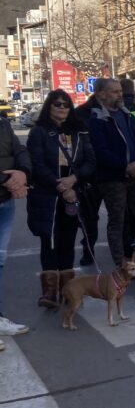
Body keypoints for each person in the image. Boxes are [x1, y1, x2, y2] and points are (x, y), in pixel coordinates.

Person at [27, 90, 96, 309]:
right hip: (47, 195)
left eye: (66, 104)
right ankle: (49, 292)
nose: (62, 107)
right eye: (57, 104)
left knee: (67, 239)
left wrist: (73, 180)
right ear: (49, 106)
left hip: (74, 191)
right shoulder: (39, 132)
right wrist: (60, 185)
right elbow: (36, 164)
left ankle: (68, 291)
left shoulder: (79, 131)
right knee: (49, 240)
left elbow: (90, 161)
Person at [87, 78, 135, 269]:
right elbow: (101, 152)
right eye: (114, 92)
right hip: (113, 179)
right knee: (117, 221)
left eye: (120, 91)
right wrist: (125, 166)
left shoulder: (128, 116)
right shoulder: (97, 120)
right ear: (101, 95)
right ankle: (121, 264)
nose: (120, 95)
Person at [0, 111, 31, 340]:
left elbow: (19, 150)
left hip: (5, 201)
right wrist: (10, 181)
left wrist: (23, 173)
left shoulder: (2, 123)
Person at [73, 93, 103, 266]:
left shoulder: (117, 111)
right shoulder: (81, 113)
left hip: (114, 172)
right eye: (114, 91)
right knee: (89, 216)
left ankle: (126, 254)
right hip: (91, 175)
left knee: (120, 217)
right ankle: (88, 250)